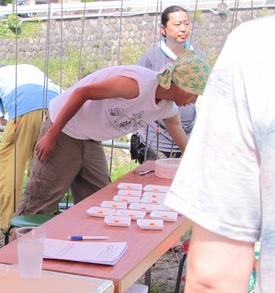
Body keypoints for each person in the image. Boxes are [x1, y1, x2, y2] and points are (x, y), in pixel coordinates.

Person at [164, 6, 275, 293]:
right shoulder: (137, 82)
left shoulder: (263, 48)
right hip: (77, 133)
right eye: (189, 94)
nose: (192, 100)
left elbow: (215, 275)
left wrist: (194, 169)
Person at [14, 49, 210, 216]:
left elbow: (180, 134)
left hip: (90, 139)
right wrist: (52, 135)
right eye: (194, 93)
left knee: (102, 203)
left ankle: (85, 253)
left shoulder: (167, 107)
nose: (193, 100)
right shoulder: (138, 84)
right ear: (180, 84)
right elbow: (83, 92)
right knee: (40, 201)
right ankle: (10, 256)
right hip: (65, 130)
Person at [0, 64, 62, 230]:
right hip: (57, 108)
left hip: (25, 110)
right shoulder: (32, 68)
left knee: (10, 169)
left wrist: (15, 128)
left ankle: (9, 226)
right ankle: (40, 221)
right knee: (42, 167)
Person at [130, 5, 206, 163]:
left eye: (186, 23)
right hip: (156, 140)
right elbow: (138, 96)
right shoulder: (150, 58)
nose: (183, 29)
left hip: (189, 133)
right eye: (177, 25)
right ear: (163, 29)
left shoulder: (198, 57)